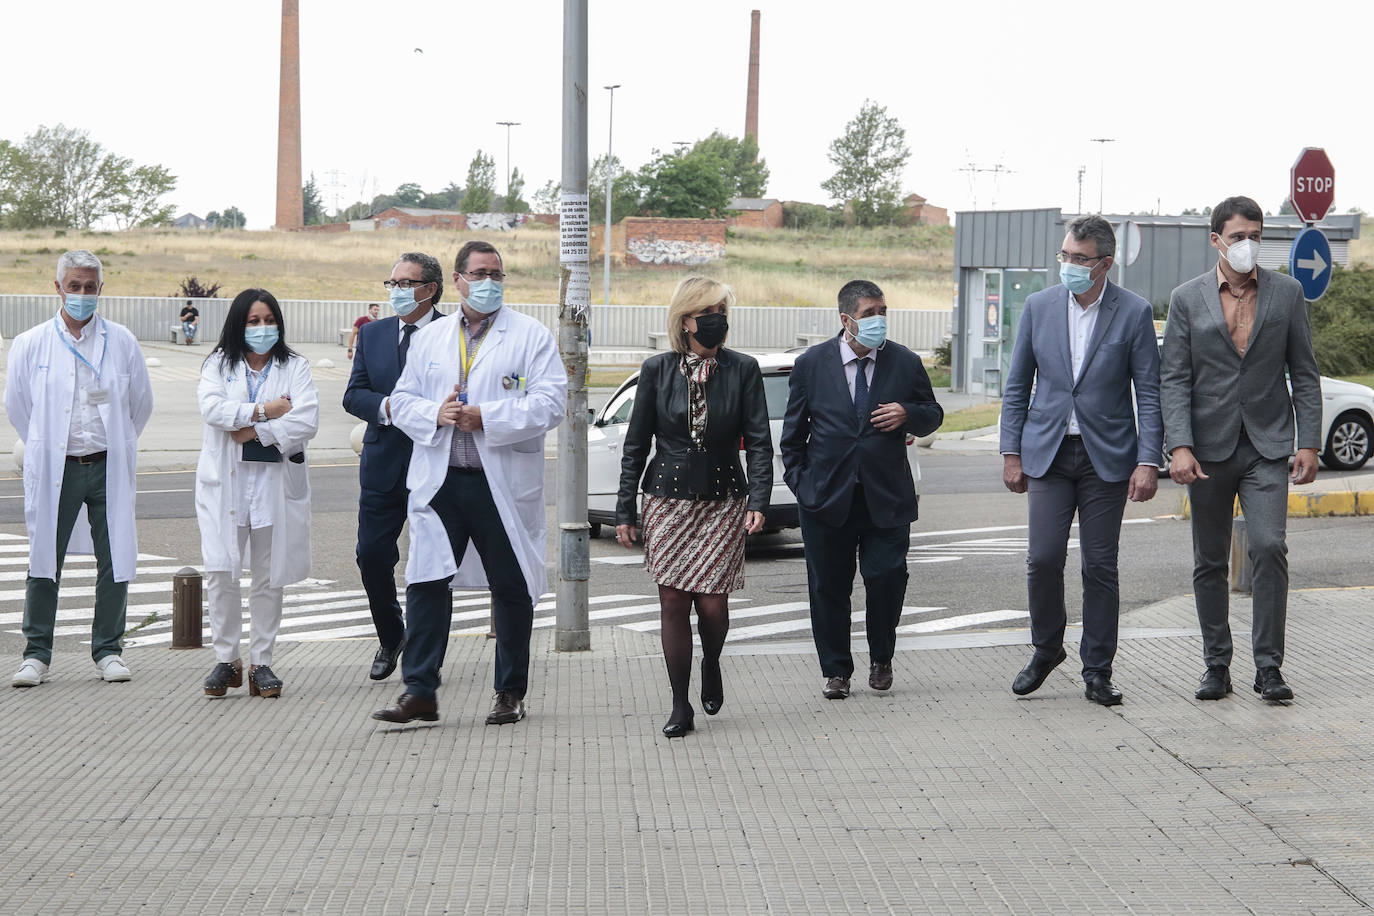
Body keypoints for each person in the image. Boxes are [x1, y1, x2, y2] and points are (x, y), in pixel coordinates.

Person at [372, 240, 566, 726]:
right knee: (426, 580)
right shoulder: (431, 338)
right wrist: (435, 413)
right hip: (441, 481)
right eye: (480, 274)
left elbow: (551, 403)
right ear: (457, 281)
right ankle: (420, 690)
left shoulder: (530, 336)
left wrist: (489, 417)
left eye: (497, 275)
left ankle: (509, 692)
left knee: (511, 585)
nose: (489, 283)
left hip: (498, 482)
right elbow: (402, 400)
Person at [1160, 196, 1321, 703]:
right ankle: (1216, 666)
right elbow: (1175, 379)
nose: (1248, 244)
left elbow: (1305, 373)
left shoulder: (1288, 293)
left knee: (1269, 546)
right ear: (1216, 240)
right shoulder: (1186, 298)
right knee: (1209, 559)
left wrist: (1310, 442)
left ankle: (1269, 667)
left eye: (1255, 235)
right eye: (1238, 236)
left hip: (1267, 445)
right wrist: (1179, 446)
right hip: (1206, 449)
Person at [999, 215, 1162, 707]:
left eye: (1079, 259)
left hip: (1106, 459)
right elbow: (1016, 385)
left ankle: (1098, 670)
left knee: (1100, 566)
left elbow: (1148, 394)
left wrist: (1148, 460)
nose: (1068, 265)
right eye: (1064, 256)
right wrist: (1011, 452)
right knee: (1043, 558)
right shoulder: (1039, 307)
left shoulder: (1133, 312)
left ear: (1105, 264)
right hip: (1046, 453)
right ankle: (1046, 649)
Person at [615, 276, 772, 737]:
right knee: (671, 601)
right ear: (686, 320)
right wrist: (626, 509)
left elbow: (759, 442)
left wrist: (758, 499)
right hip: (667, 500)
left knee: (712, 606)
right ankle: (679, 703)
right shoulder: (657, 369)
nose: (717, 322)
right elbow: (635, 444)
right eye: (708, 313)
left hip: (724, 499)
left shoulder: (743, 368)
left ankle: (713, 661)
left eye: (722, 312)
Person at [780, 280, 943, 700]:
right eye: (870, 313)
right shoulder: (812, 364)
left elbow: (933, 414)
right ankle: (836, 671)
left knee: (887, 576)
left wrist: (908, 412)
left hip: (886, 497)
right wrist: (802, 485)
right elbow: (793, 437)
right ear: (846, 319)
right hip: (825, 498)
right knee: (829, 586)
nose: (879, 321)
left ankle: (881, 657)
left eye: (883, 312)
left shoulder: (904, 362)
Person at [6, 250, 153, 687]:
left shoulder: (121, 341)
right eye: (75, 286)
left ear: (101, 290)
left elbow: (140, 405)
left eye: (90, 287)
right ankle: (36, 653)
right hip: (58, 467)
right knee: (43, 559)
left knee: (115, 558)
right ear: (58, 288)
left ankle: (108, 649)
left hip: (108, 465)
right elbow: (18, 406)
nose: (82, 295)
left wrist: (117, 443)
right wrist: (47, 447)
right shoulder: (32, 343)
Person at [196, 289, 319, 698]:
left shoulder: (295, 366)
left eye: (269, 320)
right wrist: (268, 410)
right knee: (221, 571)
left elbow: (306, 420)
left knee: (268, 576)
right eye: (253, 321)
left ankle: (261, 662)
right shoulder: (218, 364)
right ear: (238, 324)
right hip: (225, 483)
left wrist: (252, 430)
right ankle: (227, 660)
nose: (262, 328)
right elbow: (212, 411)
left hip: (273, 483)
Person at [343, 258, 445, 680]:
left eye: (407, 283)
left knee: (433, 564)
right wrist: (389, 407)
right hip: (383, 462)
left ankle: (426, 655)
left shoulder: (450, 334)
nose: (398, 290)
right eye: (393, 282)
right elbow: (354, 395)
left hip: (434, 463)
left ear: (431, 289)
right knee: (371, 556)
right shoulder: (373, 333)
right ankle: (391, 636)